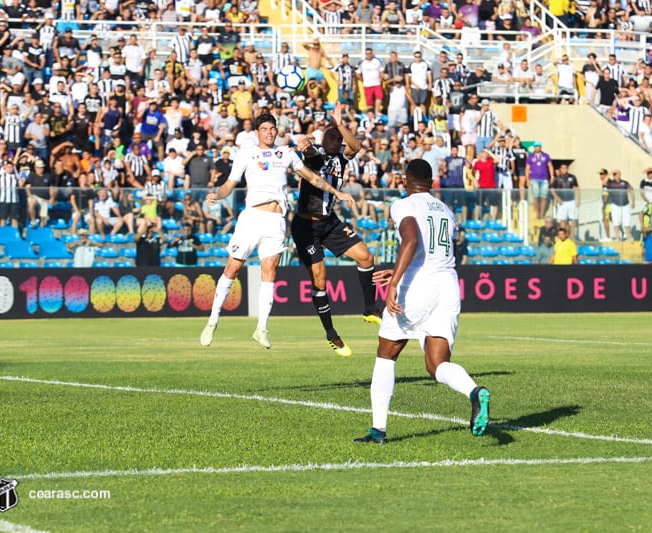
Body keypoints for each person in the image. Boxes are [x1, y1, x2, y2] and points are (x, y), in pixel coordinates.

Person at [354, 159, 490, 445]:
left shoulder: (404, 205)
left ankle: (378, 430)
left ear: (406, 180)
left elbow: (412, 240)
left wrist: (394, 282)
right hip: (448, 285)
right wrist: (402, 269)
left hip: (418, 286)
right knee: (437, 364)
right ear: (431, 182)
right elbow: (434, 250)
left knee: (386, 353)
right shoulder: (446, 210)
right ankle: (475, 391)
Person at [200, 113, 355, 350]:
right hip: (252, 218)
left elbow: (312, 177)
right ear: (257, 132)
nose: (270, 132)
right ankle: (212, 321)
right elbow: (230, 184)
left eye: (272, 129)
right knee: (233, 268)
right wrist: (217, 195)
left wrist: (337, 193)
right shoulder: (246, 153)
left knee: (269, 272)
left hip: (276, 221)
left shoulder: (287, 154)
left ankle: (261, 328)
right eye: (264, 129)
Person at [292, 102, 381, 358]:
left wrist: (341, 124)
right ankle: (331, 334)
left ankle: (368, 308)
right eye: (331, 136)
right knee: (320, 279)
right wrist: (306, 142)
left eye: (337, 137)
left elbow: (357, 147)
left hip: (329, 222)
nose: (334, 140)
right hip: (306, 225)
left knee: (366, 257)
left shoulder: (343, 157)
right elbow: (307, 149)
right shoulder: (317, 155)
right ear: (325, 139)